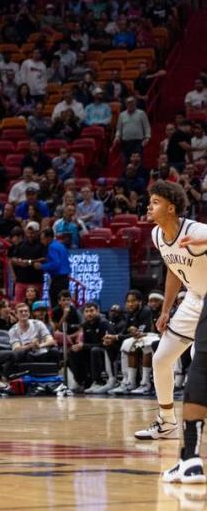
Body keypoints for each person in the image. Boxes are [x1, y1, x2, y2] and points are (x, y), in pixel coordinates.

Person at [134, 182, 206, 440]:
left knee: (201, 362)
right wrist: (166, 310)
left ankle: (195, 428)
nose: (149, 206)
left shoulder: (196, 230)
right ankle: (166, 421)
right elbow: (174, 270)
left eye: (155, 202)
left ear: (171, 208)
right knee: (161, 359)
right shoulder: (156, 235)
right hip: (193, 298)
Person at [35, 228, 70, 308]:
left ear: (49, 238)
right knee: (64, 302)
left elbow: (56, 264)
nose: (41, 241)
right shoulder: (60, 245)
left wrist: (41, 266)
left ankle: (57, 320)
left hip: (58, 280)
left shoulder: (52, 247)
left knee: (56, 303)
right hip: (64, 279)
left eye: (42, 239)